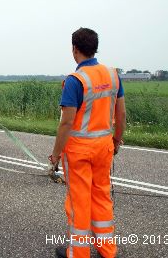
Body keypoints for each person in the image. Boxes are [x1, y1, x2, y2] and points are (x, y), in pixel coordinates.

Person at [50, 28, 126, 258]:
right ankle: (108, 251)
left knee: (79, 202)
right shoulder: (113, 75)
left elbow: (66, 123)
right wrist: (117, 140)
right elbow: (120, 114)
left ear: (74, 49)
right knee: (101, 195)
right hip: (104, 147)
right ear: (95, 48)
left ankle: (79, 253)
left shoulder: (75, 81)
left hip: (79, 152)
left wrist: (55, 155)